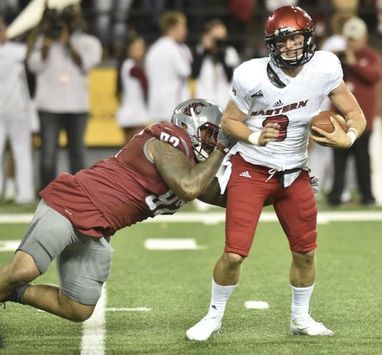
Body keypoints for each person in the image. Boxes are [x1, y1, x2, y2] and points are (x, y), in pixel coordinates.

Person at [186, 5, 366, 341]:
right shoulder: (251, 75)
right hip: (251, 169)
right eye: (283, 41)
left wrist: (349, 137)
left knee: (305, 252)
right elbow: (229, 120)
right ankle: (213, 316)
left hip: (294, 172)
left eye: (296, 37)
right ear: (271, 44)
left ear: (308, 37)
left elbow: (355, 112)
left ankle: (300, 317)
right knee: (235, 254)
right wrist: (254, 136)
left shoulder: (325, 67)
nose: (291, 46)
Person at [0, 99, 236, 322]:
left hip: (98, 229)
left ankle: (10, 292)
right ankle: (8, 284)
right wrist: (222, 149)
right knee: (22, 270)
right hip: (72, 203)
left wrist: (270, 185)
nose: (213, 141)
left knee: (77, 307)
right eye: (210, 134)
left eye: (216, 137)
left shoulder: (190, 168)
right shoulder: (167, 141)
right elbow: (188, 187)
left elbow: (225, 194)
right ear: (190, 125)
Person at [27, 4, 102, 191]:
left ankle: (79, 192)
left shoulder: (89, 42)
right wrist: (46, 41)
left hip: (77, 107)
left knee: (77, 153)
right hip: (48, 106)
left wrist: (68, 44)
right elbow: (33, 65)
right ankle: (45, 192)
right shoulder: (44, 41)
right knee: (48, 153)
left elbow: (85, 63)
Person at [327, 17, 382, 207]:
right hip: (339, 118)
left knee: (362, 160)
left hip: (362, 120)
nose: (352, 43)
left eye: (355, 39)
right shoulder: (337, 58)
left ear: (364, 38)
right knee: (338, 161)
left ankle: (367, 196)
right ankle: (335, 195)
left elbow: (375, 75)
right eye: (349, 39)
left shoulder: (371, 56)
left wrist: (355, 64)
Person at [0, 17, 37, 205]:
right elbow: (28, 49)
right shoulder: (14, 51)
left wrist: (36, 28)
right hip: (9, 108)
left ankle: (25, 194)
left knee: (21, 151)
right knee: (19, 151)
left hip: (16, 108)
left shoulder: (15, 50)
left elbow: (29, 50)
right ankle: (15, 193)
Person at [145, 11, 192, 123]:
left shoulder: (153, 49)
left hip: (155, 105)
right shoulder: (175, 48)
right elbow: (186, 71)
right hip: (173, 106)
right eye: (183, 27)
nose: (186, 31)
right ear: (172, 28)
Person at [191, 19, 240, 109]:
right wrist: (205, 50)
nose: (218, 42)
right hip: (203, 102)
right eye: (215, 38)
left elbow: (230, 78)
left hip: (223, 101)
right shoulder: (200, 51)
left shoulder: (229, 52)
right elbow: (194, 74)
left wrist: (220, 54)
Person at [116, 33, 150, 144]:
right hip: (134, 114)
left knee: (130, 150)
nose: (140, 51)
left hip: (133, 112)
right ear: (128, 49)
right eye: (136, 48)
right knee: (135, 150)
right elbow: (146, 84)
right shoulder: (132, 66)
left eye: (141, 48)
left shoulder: (127, 65)